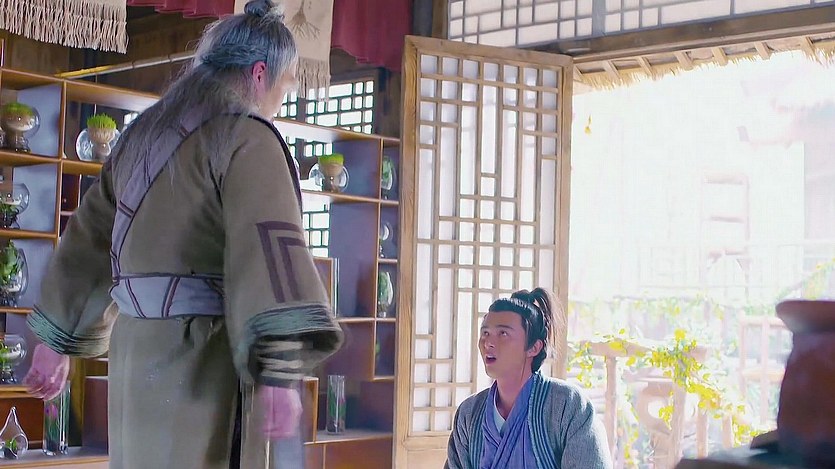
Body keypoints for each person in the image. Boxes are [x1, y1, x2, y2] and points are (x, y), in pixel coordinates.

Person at [21, 1, 342, 467]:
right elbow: (268, 254)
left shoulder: (140, 138)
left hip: (135, 358)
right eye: (286, 84)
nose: (281, 98)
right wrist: (279, 370)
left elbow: (87, 241)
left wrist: (57, 342)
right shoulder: (248, 138)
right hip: (204, 362)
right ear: (259, 74)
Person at [445, 288, 611, 469]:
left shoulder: (568, 405)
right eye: (485, 333)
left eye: (503, 334)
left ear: (534, 347)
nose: (488, 343)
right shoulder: (469, 412)